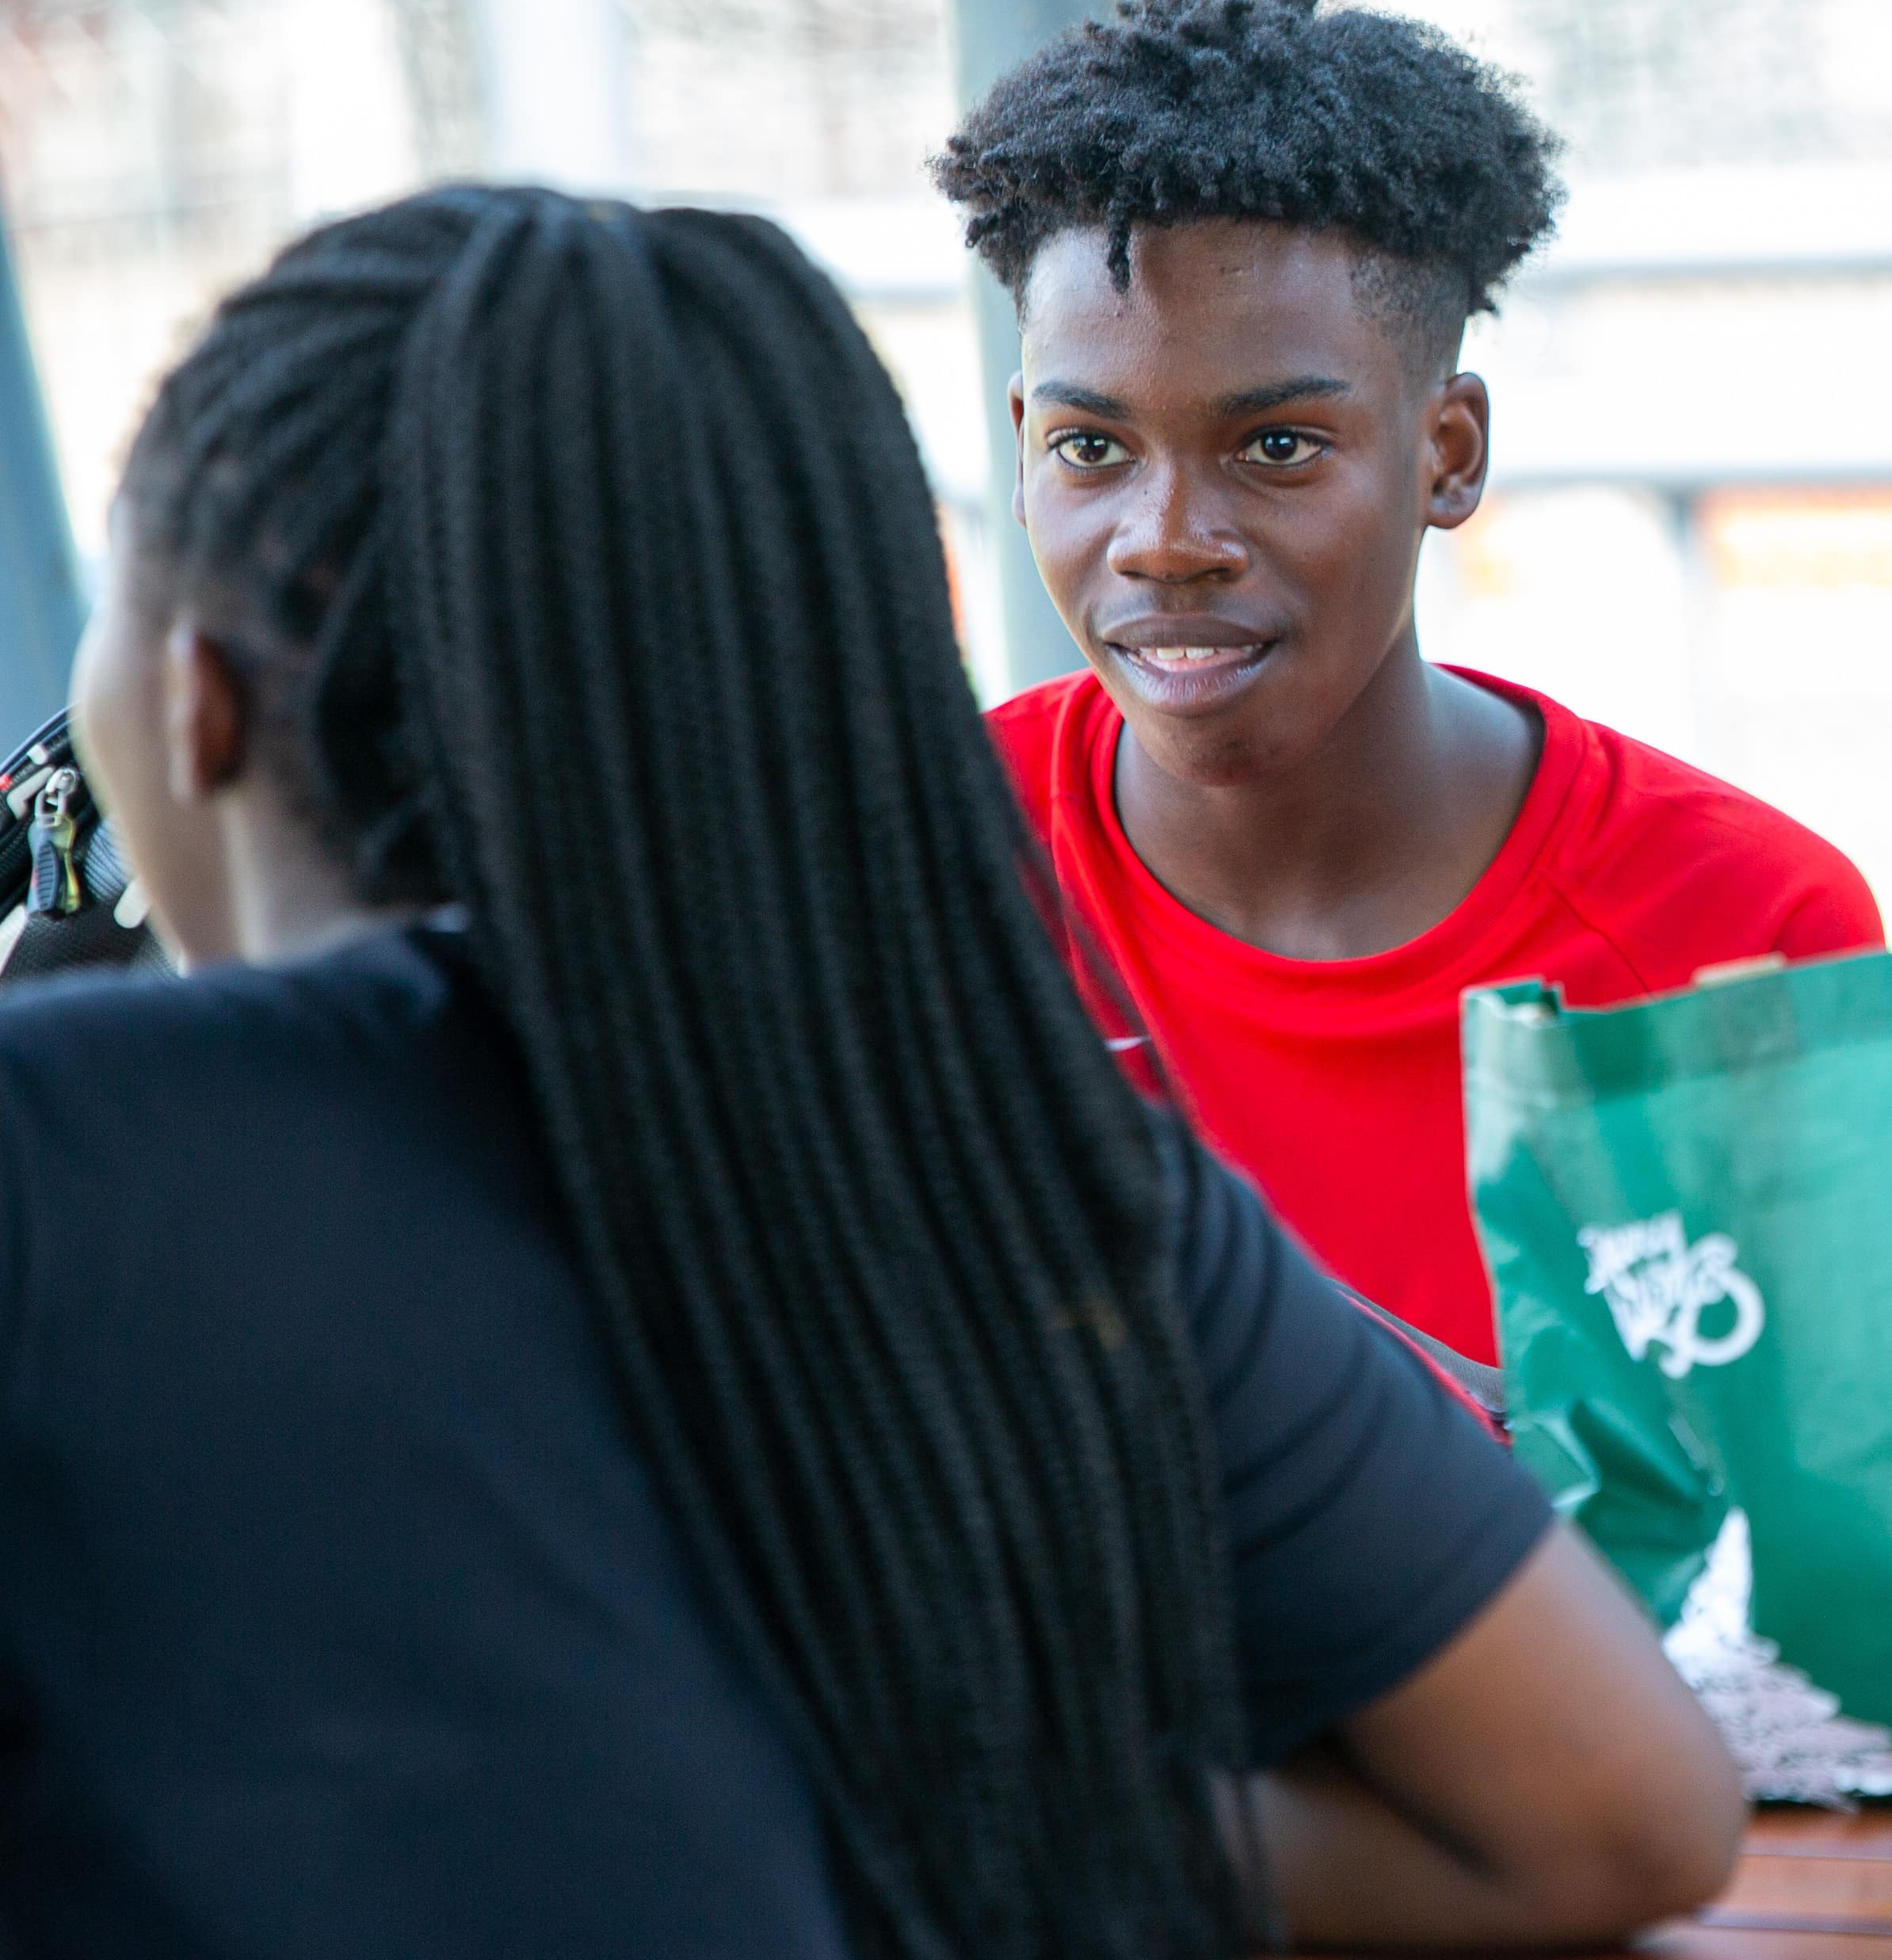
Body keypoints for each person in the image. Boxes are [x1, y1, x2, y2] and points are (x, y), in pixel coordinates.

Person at [4, 185, 1746, 1957]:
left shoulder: (56, 1154)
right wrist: (895, 1795)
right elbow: (1621, 1814)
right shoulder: (1023, 1160)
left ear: (193, 698)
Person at [936, 0, 1877, 1374]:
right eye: (1091, 448)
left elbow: (1838, 1475)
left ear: (1448, 454)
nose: (1167, 540)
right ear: (1021, 447)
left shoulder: (1744, 933)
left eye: (1277, 447)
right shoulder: (919, 875)